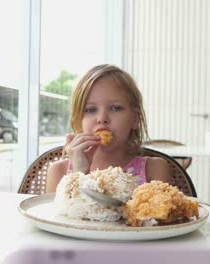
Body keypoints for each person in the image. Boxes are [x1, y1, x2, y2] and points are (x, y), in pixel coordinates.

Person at [45, 64, 171, 193]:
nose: (102, 118)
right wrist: (79, 175)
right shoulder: (59, 172)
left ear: (135, 119)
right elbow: (57, 213)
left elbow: (159, 212)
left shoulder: (154, 169)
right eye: (90, 109)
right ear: (78, 121)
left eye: (115, 108)